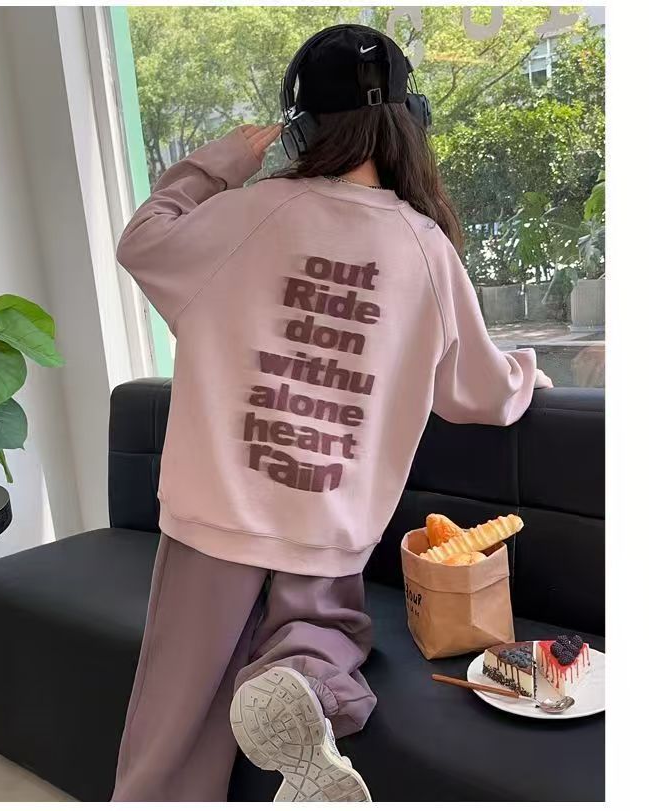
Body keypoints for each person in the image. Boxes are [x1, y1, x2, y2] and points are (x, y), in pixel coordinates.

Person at [111, 24, 552, 803]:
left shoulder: (245, 215)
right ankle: (306, 688)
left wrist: (218, 164)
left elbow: (141, 243)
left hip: (213, 519)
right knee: (325, 636)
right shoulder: (425, 248)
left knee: (170, 729)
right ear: (410, 123)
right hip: (328, 529)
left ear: (302, 126)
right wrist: (527, 373)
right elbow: (477, 394)